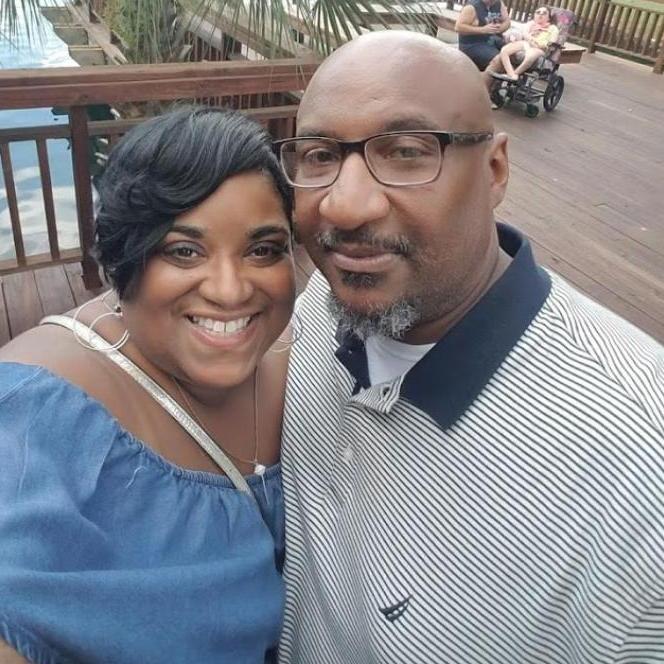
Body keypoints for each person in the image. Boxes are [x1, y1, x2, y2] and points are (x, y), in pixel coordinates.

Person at [274, 31, 664, 663]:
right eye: (320, 155)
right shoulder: (329, 304)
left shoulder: (640, 475)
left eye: (405, 152)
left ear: (494, 171)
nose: (343, 206)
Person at [0, 107, 296, 663]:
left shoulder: (304, 362)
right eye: (184, 251)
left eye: (263, 249)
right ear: (123, 258)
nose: (231, 291)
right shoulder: (32, 415)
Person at [499, 6, 559, 79]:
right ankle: (511, 74)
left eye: (544, 13)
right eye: (538, 12)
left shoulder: (553, 28)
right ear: (534, 15)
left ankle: (515, 74)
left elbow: (551, 42)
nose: (540, 14)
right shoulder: (530, 24)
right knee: (504, 50)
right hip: (526, 43)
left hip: (540, 48)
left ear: (549, 18)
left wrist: (538, 44)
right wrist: (515, 37)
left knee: (530, 56)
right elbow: (524, 33)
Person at [455, 0, 510, 71]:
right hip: (474, 44)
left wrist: (500, 28)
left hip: (493, 40)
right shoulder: (472, 7)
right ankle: (485, 80)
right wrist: (483, 29)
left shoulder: (499, 3)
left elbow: (507, 21)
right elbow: (458, 27)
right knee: (500, 60)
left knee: (514, 54)